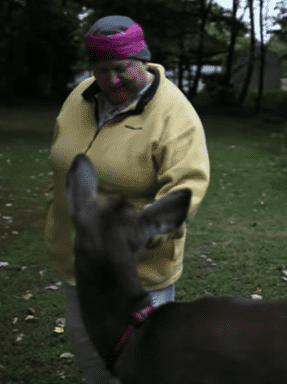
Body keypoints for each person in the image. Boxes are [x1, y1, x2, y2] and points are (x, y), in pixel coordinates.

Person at [44, 15, 210, 384]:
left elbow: (188, 185)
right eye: (100, 69)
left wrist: (141, 233)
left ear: (142, 58)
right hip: (79, 261)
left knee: (143, 366)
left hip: (135, 271)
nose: (110, 80)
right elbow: (61, 157)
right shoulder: (80, 96)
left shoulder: (173, 114)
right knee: (92, 355)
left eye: (121, 68)